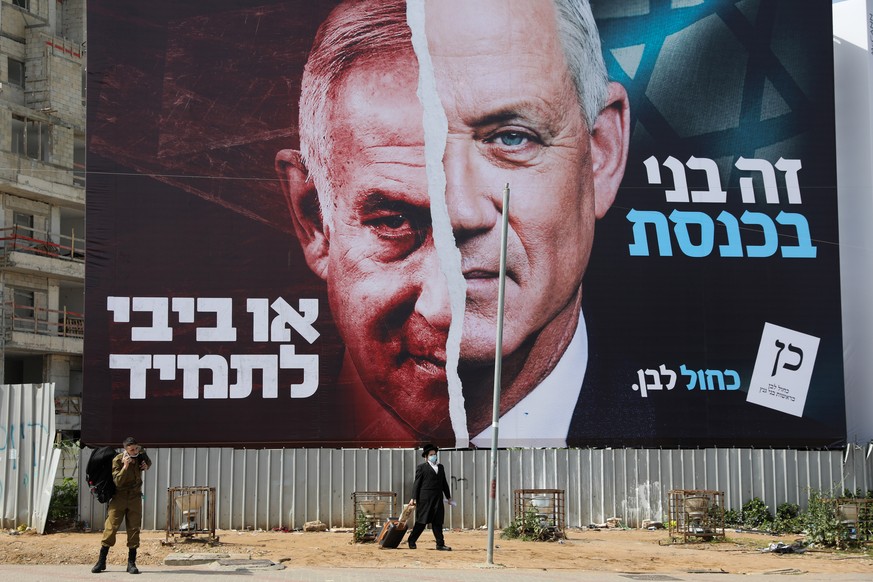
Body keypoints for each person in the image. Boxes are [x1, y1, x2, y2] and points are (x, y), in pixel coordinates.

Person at [276, 0, 629, 446]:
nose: (459, 209)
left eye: (512, 138)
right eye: (394, 220)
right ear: (315, 219)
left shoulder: (721, 423)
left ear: (601, 151)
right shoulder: (249, 429)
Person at [91, 437, 151, 575]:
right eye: (131, 449)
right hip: (119, 497)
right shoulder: (118, 460)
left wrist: (146, 465)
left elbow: (148, 462)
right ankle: (101, 561)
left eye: (136, 448)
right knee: (111, 528)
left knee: (134, 529)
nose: (135, 451)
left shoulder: (141, 455)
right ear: (125, 449)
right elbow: (118, 481)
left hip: (135, 497)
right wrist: (125, 466)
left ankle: (131, 563)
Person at [407, 444, 454, 550]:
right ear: (426, 457)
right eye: (431, 454)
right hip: (425, 499)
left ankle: (440, 544)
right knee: (422, 521)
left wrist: (448, 497)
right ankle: (412, 540)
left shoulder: (440, 467)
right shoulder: (422, 468)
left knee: (438, 521)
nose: (433, 456)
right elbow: (417, 484)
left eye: (434, 454)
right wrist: (413, 498)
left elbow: (444, 483)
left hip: (437, 498)